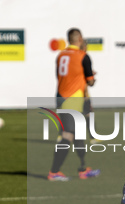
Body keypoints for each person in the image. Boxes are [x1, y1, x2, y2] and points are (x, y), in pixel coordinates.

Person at [48, 28, 100, 181]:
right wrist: (91, 78)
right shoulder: (83, 56)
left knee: (78, 134)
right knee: (68, 134)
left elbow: (60, 75)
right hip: (73, 99)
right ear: (80, 39)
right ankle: (54, 171)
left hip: (61, 96)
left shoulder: (60, 55)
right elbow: (90, 82)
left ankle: (83, 168)